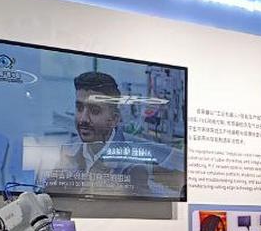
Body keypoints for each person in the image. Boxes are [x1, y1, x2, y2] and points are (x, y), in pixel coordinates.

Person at [39, 71, 184, 197]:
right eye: (79, 108)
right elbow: (50, 195)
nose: (83, 119)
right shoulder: (69, 149)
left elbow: (144, 211)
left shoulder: (133, 167)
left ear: (114, 119)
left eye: (94, 111)